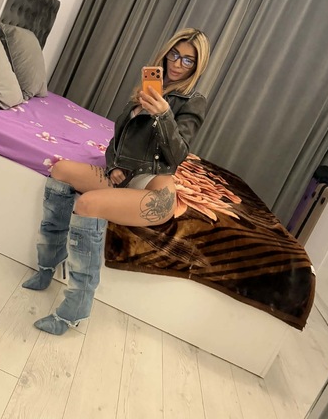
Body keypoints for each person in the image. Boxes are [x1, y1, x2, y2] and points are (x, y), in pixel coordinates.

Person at [23, 27, 210, 334]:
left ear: (197, 66)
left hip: (156, 192)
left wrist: (164, 115)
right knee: (60, 171)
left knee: (88, 204)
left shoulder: (192, 101)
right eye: (174, 55)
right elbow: (118, 140)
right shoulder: (148, 89)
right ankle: (49, 262)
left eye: (187, 60)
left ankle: (76, 306)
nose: (177, 64)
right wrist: (112, 167)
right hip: (124, 178)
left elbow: (177, 155)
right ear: (165, 54)